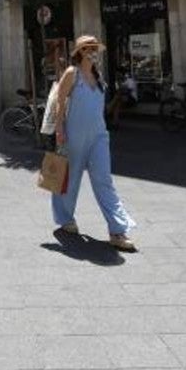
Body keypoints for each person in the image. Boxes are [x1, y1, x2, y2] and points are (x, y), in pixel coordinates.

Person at [51, 35, 138, 253]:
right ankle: (65, 218)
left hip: (99, 136)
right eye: (88, 48)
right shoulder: (73, 74)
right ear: (80, 52)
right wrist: (59, 130)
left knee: (104, 182)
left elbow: (101, 108)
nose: (92, 51)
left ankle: (117, 230)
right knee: (69, 180)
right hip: (73, 136)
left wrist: (117, 102)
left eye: (94, 48)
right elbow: (59, 102)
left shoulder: (99, 77)